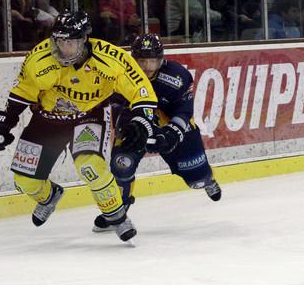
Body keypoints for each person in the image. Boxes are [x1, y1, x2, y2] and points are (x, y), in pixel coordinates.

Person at [0, 11, 158, 242]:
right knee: (24, 180)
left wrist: (142, 122)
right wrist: (4, 121)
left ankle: (116, 216)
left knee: (91, 167)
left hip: (89, 115)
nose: (63, 48)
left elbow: (141, 92)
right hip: (48, 119)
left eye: (70, 42)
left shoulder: (111, 59)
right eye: (60, 41)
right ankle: (49, 197)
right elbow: (22, 92)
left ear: (84, 40)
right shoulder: (39, 59)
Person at [93, 33, 221, 232]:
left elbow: (184, 110)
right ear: (134, 60)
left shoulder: (177, 76)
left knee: (198, 179)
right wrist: (126, 128)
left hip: (170, 126)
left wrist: (172, 133)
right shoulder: (119, 76)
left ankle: (208, 179)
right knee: (122, 164)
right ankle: (119, 208)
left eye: (152, 61)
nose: (147, 67)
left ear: (161, 59)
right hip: (137, 126)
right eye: (142, 61)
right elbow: (118, 111)